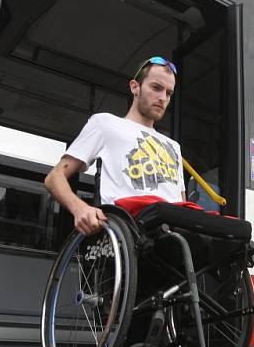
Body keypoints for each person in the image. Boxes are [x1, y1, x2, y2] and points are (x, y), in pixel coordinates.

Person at [45, 56, 184, 235]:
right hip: (129, 228)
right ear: (135, 87)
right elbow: (54, 177)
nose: (162, 98)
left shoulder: (173, 147)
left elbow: (182, 203)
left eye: (168, 93)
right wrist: (80, 208)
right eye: (156, 88)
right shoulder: (105, 124)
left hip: (173, 232)